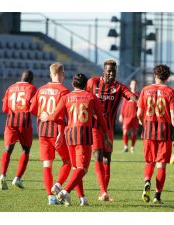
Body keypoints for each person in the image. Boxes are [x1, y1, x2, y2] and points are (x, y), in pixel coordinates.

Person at [40, 73, 111, 206]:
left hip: (69, 134)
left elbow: (55, 116)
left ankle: (82, 199)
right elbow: (101, 119)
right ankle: (65, 191)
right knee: (82, 169)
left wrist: (46, 116)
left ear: (73, 84)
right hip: (83, 134)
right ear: (86, 85)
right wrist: (106, 136)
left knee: (75, 168)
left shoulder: (66, 97)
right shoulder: (91, 97)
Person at [86, 59, 138, 201]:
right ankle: (103, 191)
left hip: (108, 129)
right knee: (97, 155)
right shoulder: (93, 83)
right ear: (103, 71)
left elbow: (132, 96)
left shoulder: (119, 87)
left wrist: (139, 102)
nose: (111, 74)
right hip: (95, 126)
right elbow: (83, 97)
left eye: (113, 71)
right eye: (109, 71)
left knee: (107, 159)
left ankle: (104, 191)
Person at [137, 64, 174, 204]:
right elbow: (173, 115)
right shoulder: (171, 92)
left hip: (149, 129)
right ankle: (157, 196)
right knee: (161, 164)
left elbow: (139, 113)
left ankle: (147, 181)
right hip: (164, 131)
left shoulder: (145, 90)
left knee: (150, 161)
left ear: (155, 75)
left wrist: (144, 124)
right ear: (167, 77)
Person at [30, 63, 71, 205]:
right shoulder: (64, 91)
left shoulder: (41, 90)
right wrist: (61, 132)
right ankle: (58, 185)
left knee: (47, 165)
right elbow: (63, 114)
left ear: (50, 73)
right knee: (68, 161)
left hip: (43, 131)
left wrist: (43, 115)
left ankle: (51, 198)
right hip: (57, 131)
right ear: (62, 74)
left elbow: (33, 109)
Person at [0, 70, 37, 190]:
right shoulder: (31, 88)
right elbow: (34, 107)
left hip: (11, 120)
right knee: (26, 150)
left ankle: (3, 175)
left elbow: (4, 108)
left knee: (8, 149)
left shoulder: (10, 88)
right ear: (31, 80)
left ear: (21, 77)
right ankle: (18, 178)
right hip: (24, 121)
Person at [119, 79, 140, 153]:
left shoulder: (138, 95)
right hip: (127, 116)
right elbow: (123, 105)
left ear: (136, 85)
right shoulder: (127, 94)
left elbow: (140, 106)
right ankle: (125, 146)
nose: (134, 85)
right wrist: (121, 114)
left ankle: (132, 147)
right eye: (132, 84)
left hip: (135, 116)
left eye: (135, 84)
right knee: (125, 131)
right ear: (130, 85)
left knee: (134, 132)